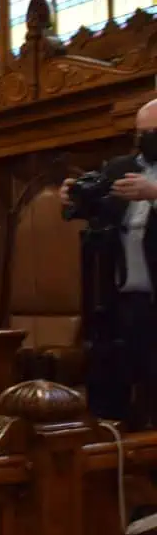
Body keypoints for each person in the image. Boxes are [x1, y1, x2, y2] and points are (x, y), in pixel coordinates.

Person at [61, 98, 157, 426]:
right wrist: (73, 197)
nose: (146, 139)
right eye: (141, 133)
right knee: (111, 381)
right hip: (120, 298)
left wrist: (153, 194)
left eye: (154, 132)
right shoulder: (120, 167)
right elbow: (93, 206)